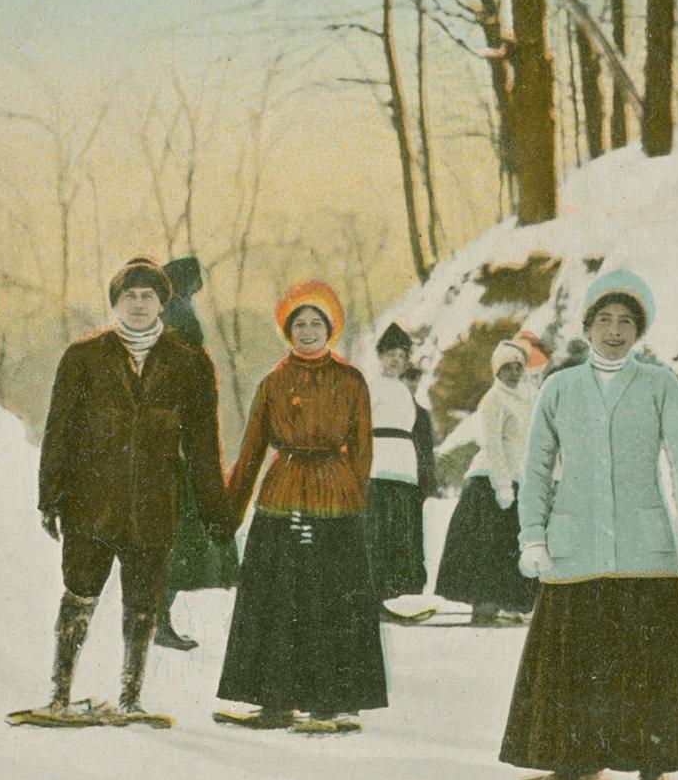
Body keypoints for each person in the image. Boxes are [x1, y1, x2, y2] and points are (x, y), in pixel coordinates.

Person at [500, 271, 678, 780]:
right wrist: (532, 537)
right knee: (574, 660)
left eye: (626, 322)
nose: (614, 331)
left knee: (649, 663)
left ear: (639, 330)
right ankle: (575, 763)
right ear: (587, 326)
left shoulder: (660, 384)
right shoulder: (560, 387)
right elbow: (537, 467)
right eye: (604, 320)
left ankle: (652, 774)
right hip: (576, 546)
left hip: (644, 549)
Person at [31, 257, 231, 722]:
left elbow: (203, 444)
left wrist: (214, 507)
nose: (138, 305)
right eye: (129, 296)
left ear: (163, 302)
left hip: (154, 502)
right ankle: (59, 696)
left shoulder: (189, 362)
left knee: (143, 601)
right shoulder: (84, 357)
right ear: (115, 302)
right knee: (79, 593)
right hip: (90, 504)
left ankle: (130, 699)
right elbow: (59, 430)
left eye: (148, 296)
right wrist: (50, 495)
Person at [214, 280, 386, 733]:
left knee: (330, 600)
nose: (308, 331)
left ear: (330, 328)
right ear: (287, 330)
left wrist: (352, 493)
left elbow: (362, 446)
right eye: (299, 324)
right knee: (279, 600)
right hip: (283, 493)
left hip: (336, 497)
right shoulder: (273, 382)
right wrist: (230, 510)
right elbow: (251, 450)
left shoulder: (351, 381)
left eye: (316, 323)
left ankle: (329, 704)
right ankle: (275, 703)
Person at [155, 255, 240, 651]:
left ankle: (157, 619)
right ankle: (155, 620)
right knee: (170, 539)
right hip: (171, 454)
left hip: (187, 452)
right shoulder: (172, 324)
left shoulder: (176, 322)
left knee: (178, 540)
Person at [432, 337, 540, 624]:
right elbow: (493, 445)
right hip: (489, 483)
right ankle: (484, 605)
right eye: (507, 367)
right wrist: (502, 486)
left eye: (518, 367)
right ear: (497, 371)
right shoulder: (494, 399)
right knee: (487, 547)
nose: (514, 373)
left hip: (514, 481)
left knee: (508, 545)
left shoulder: (525, 400)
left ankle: (508, 603)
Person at [365, 323, 438, 609]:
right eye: (389, 354)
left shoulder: (405, 393)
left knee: (403, 534)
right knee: (380, 533)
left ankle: (402, 594)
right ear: (380, 356)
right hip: (379, 467)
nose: (395, 359)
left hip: (405, 471)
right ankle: (378, 596)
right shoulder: (371, 388)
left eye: (401, 355)